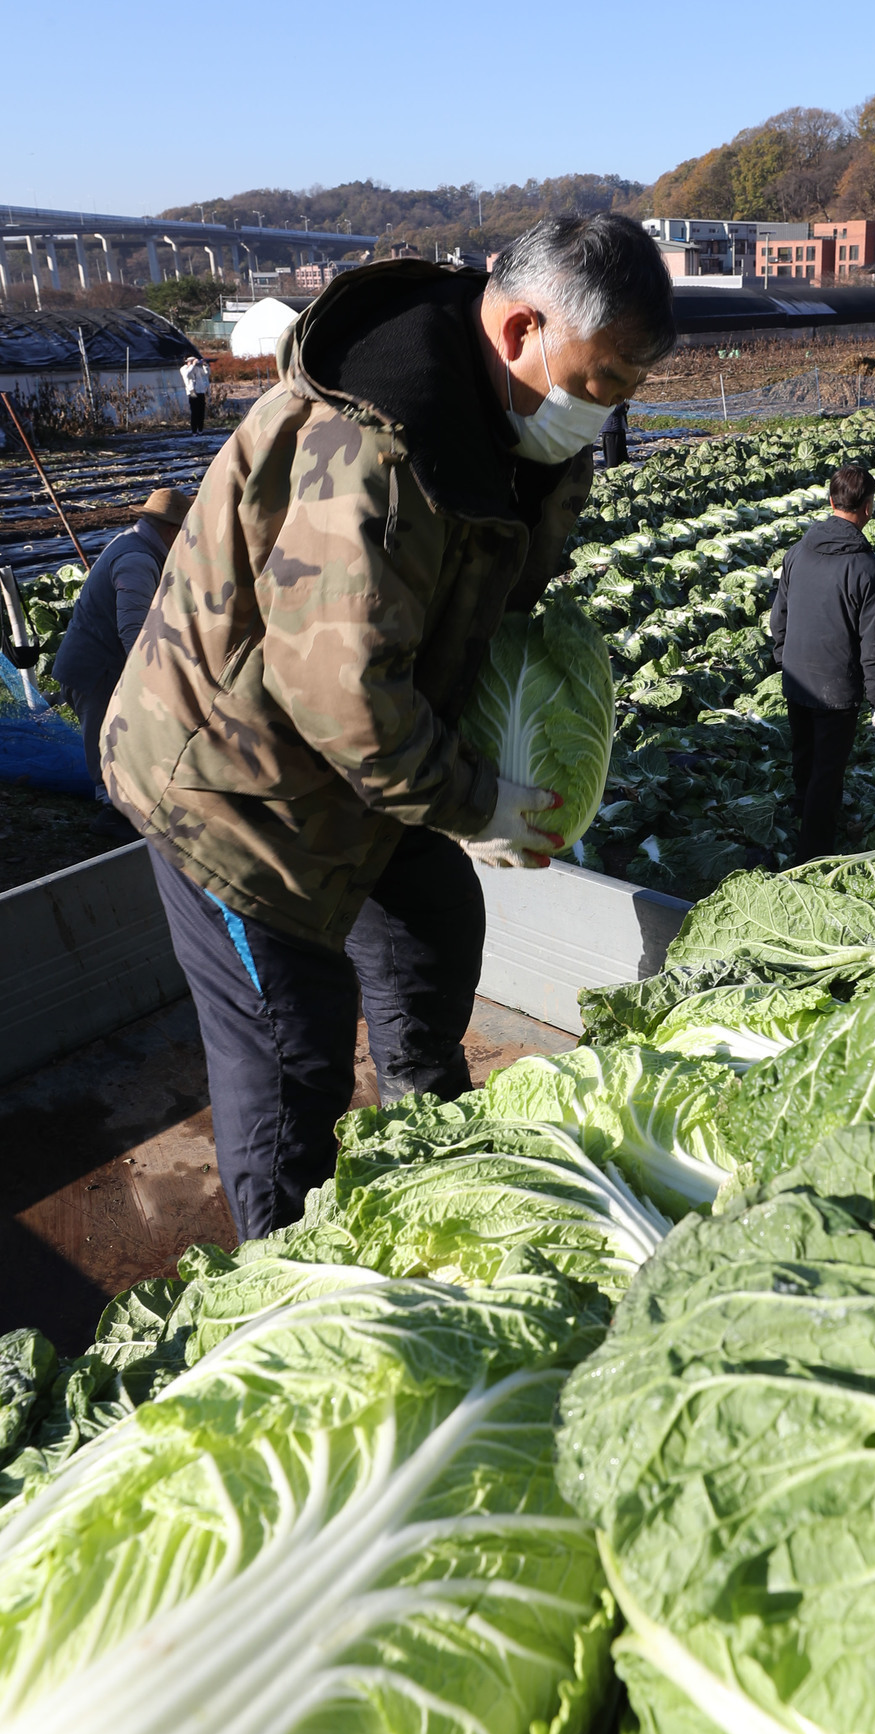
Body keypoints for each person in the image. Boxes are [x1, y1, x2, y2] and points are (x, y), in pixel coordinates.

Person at [103, 213, 674, 1241]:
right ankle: (285, 1285)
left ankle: (431, 1158)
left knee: (431, 935)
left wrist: (516, 756)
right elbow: (341, 693)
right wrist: (476, 799)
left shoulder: (511, 421)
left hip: (360, 769)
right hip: (234, 788)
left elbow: (494, 609)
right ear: (518, 332)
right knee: (294, 1059)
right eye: (596, 386)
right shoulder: (374, 445)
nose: (601, 416)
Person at [770, 464, 875, 863]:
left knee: (803, 754)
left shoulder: (797, 552)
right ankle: (813, 854)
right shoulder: (867, 569)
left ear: (830, 501)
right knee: (828, 771)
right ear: (869, 508)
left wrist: (782, 657)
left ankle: (799, 813)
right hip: (837, 688)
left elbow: (780, 616)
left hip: (797, 678)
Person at [52, 488, 193, 837]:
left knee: (121, 747)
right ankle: (112, 825)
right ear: (173, 530)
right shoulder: (137, 560)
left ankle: (123, 811)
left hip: (106, 667)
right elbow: (134, 632)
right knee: (107, 748)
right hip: (95, 670)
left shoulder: (135, 543)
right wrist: (156, 683)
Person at [180, 353, 210, 433]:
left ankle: (200, 429)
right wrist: (192, 365)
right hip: (192, 391)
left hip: (201, 391)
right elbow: (187, 374)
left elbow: (206, 373)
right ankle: (194, 431)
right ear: (188, 362)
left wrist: (204, 365)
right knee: (194, 412)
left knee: (201, 411)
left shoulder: (197, 368)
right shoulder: (184, 369)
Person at [600, 399, 629, 469]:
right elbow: (614, 410)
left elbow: (623, 411)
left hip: (618, 430)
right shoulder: (609, 397)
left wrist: (625, 406)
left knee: (622, 459)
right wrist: (623, 404)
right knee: (613, 460)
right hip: (611, 431)